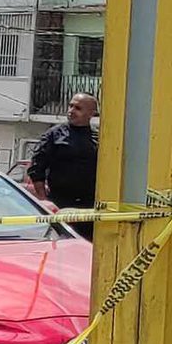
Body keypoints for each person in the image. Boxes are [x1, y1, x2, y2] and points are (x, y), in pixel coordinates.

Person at [28, 93, 100, 240]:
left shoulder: (99, 137)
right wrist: (44, 200)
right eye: (70, 106)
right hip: (60, 203)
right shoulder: (54, 135)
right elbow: (36, 168)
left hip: (89, 206)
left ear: (91, 113)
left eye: (78, 108)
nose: (71, 111)